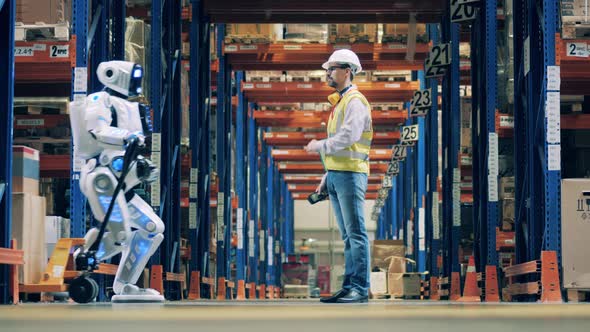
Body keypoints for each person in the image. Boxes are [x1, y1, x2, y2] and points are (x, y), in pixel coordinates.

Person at [70, 61, 165, 302]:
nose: (136, 84)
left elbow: (135, 146)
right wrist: (128, 137)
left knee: (153, 229)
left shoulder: (132, 107)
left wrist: (143, 169)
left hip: (122, 183)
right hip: (103, 180)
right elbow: (98, 130)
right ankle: (83, 259)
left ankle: (124, 285)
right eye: (132, 78)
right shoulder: (100, 99)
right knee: (120, 235)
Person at [305, 49, 373, 303]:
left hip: (350, 175)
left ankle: (360, 288)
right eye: (327, 69)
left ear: (348, 71)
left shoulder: (355, 101)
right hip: (336, 175)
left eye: (332, 69)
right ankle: (349, 285)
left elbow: (349, 137)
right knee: (347, 236)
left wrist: (320, 145)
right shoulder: (339, 103)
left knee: (355, 233)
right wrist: (326, 178)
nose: (328, 73)